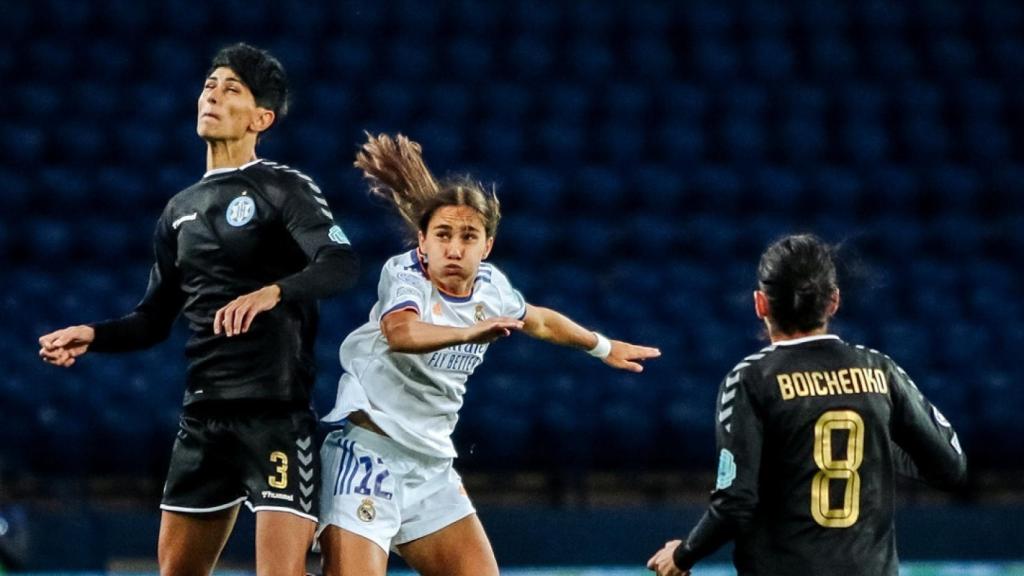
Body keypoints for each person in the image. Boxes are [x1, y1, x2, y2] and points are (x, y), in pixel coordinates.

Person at [37, 43, 359, 575]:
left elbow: (340, 262)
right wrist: (93, 334)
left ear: (262, 117)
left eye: (231, 88)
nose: (212, 93)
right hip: (203, 419)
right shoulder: (178, 210)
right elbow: (153, 318)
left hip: (274, 416)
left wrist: (272, 291)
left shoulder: (284, 187)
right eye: (210, 84)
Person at [316, 133, 661, 575]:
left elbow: (538, 320)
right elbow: (400, 332)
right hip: (367, 458)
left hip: (432, 469)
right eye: (442, 235)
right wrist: (465, 332)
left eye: (468, 236)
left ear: (487, 246)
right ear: (422, 242)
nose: (454, 248)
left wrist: (603, 346)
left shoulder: (493, 288)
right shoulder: (404, 275)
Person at [647, 234, 968, 576]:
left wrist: (682, 555)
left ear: (760, 304)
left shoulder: (751, 380)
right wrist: (876, 446)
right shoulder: (879, 371)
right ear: (833, 302)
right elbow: (950, 466)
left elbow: (735, 503)